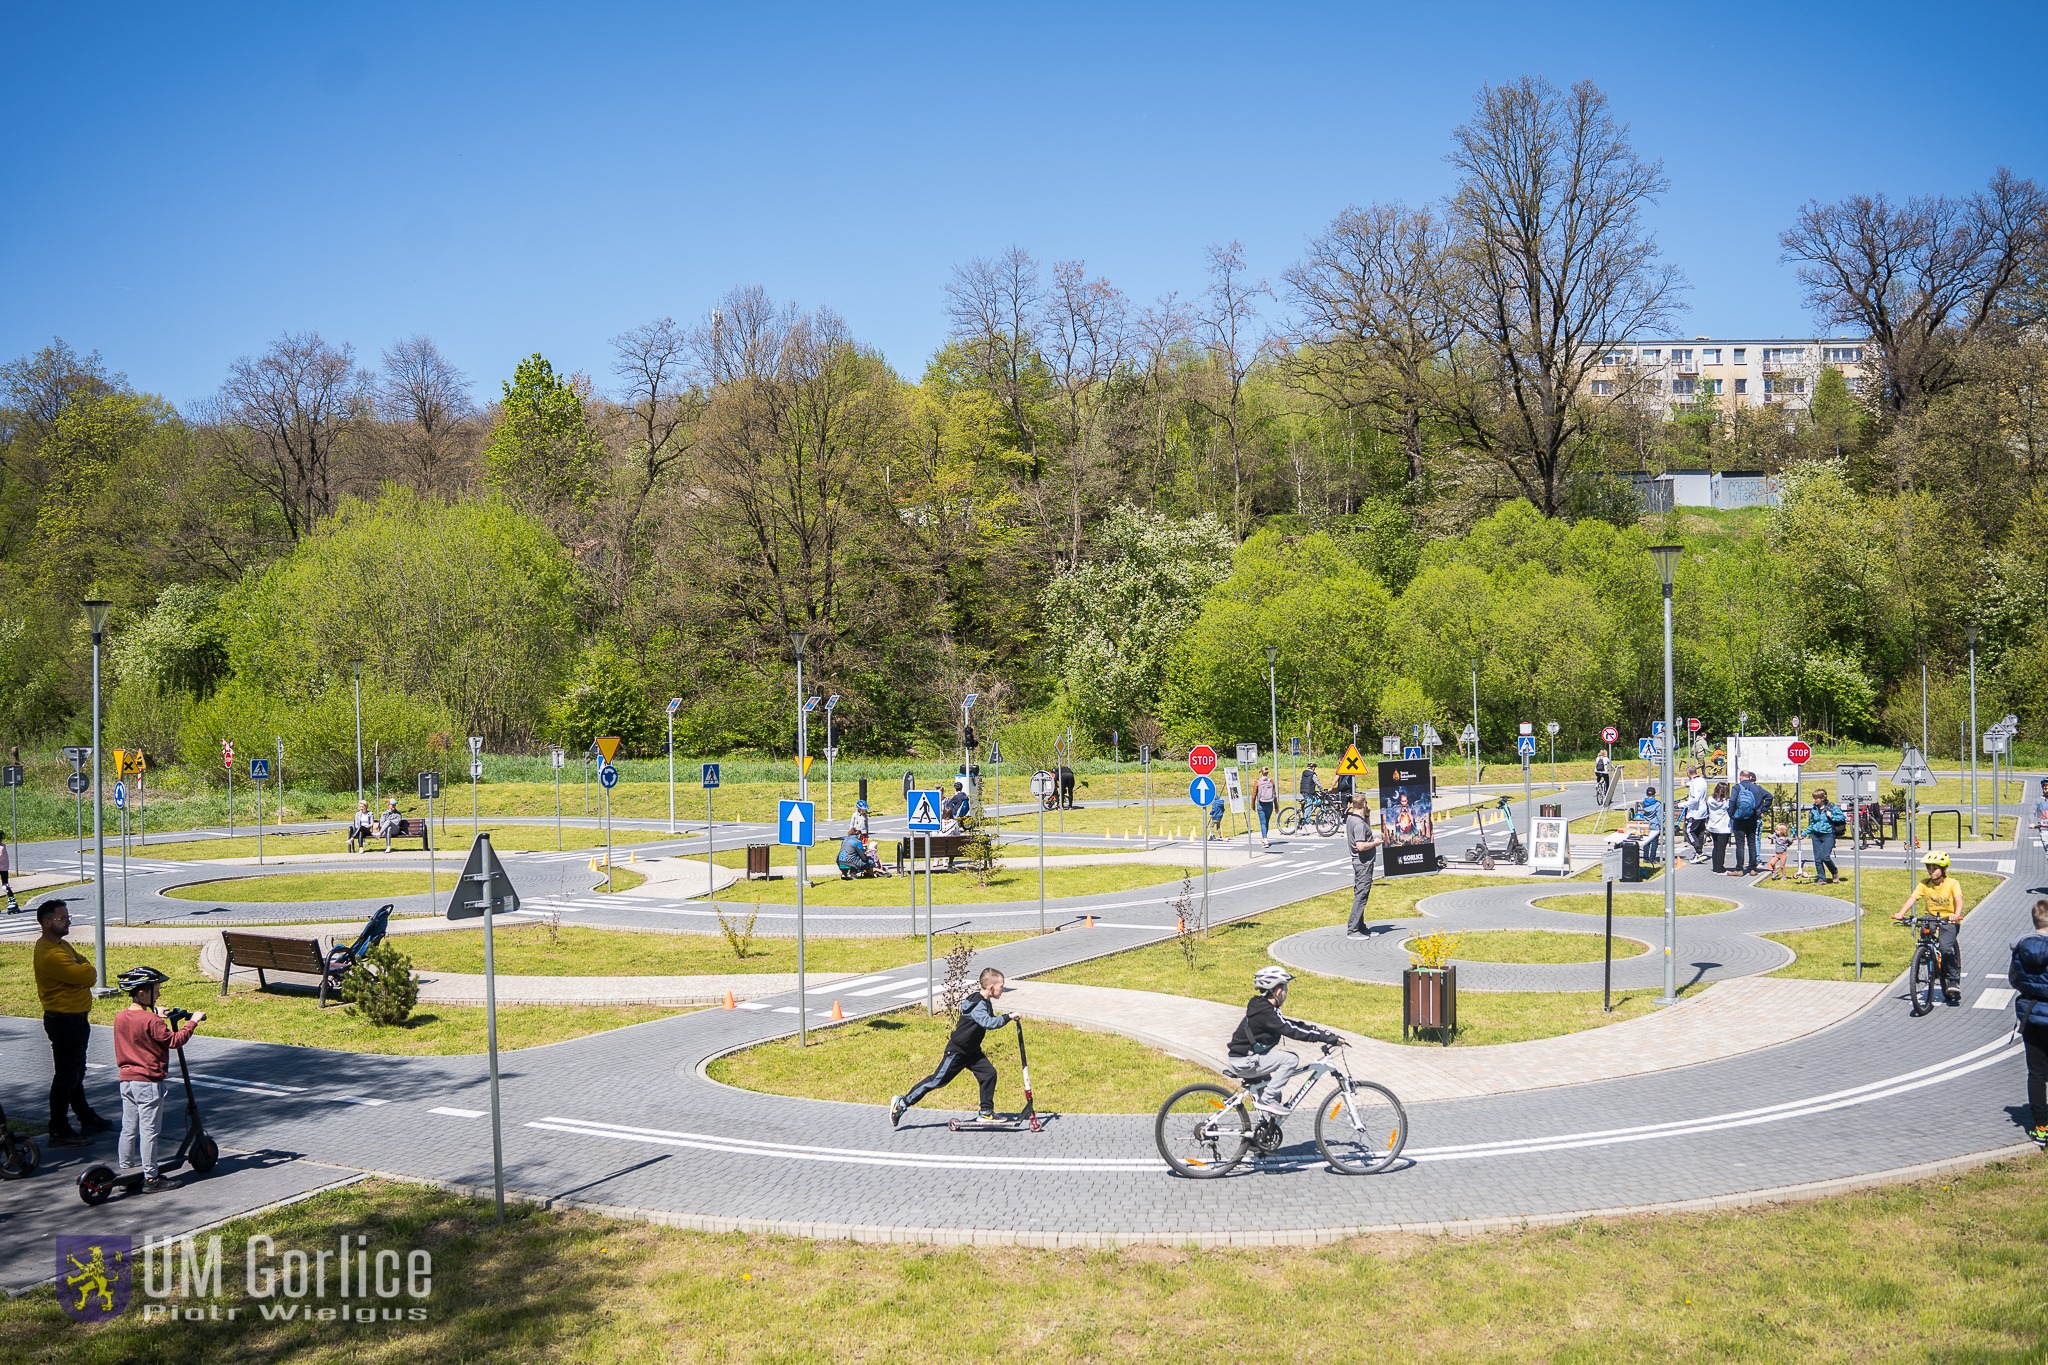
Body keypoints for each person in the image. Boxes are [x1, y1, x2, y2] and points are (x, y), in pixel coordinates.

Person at [112, 966, 203, 1191]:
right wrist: (193, 1022)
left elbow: (140, 1029)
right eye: (156, 989)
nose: (159, 994)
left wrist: (155, 1016)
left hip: (127, 1082)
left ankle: (126, 1173)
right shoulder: (152, 1022)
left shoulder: (121, 1017)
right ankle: (151, 1178)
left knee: (128, 1129)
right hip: (148, 1083)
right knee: (149, 1132)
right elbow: (173, 1040)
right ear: (142, 993)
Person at [890, 967, 1011, 1126]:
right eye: (1001, 986)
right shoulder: (978, 1004)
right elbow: (988, 1023)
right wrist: (1008, 1017)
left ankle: (986, 1112)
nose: (1003, 989)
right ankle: (902, 1103)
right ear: (991, 987)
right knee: (936, 1081)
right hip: (958, 1051)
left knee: (989, 1074)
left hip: (972, 1051)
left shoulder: (984, 1001)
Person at [33, 899, 109, 1146]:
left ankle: (86, 1117)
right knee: (66, 1075)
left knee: (75, 1071)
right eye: (62, 918)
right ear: (47, 922)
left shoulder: (61, 945)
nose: (68, 922)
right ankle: (59, 1128)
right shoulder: (50, 953)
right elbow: (86, 974)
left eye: (68, 917)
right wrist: (81, 973)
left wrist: (82, 971)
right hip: (65, 1021)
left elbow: (85, 966)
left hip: (73, 1018)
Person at [1225, 967, 1341, 1114]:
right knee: (1290, 1059)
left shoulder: (1264, 1009)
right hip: (1244, 1062)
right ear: (1278, 991)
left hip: (1246, 1060)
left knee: (1276, 1095)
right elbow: (1291, 1031)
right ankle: (1267, 1100)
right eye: (1286, 988)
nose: (1286, 992)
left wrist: (1321, 1032)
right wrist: (1323, 1037)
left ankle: (1263, 1132)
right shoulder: (1266, 1013)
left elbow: (1290, 1024)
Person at [1894, 850, 1966, 1006]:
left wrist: (1956, 914)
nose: (1931, 871)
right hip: (1931, 917)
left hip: (1949, 919)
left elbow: (1959, 899)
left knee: (1946, 948)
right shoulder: (1924, 884)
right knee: (1925, 934)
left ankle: (1952, 980)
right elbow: (1913, 898)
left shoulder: (1952, 883)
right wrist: (1901, 913)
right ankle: (1925, 955)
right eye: (1929, 868)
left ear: (1944, 869)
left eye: (1935, 868)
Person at [2007, 899, 2048, 1147]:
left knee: (2036, 1073)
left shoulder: (2021, 948)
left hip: (2030, 1014)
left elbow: (2014, 979)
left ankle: (2041, 1128)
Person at [1343, 794, 1382, 938]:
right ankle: (1353, 929)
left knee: (1361, 893)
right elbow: (1361, 845)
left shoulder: (1353, 819)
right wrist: (1375, 844)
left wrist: (1368, 815)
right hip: (1363, 863)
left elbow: (1367, 830)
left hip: (1361, 862)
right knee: (1361, 895)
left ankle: (1361, 927)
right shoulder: (1358, 824)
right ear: (1364, 804)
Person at [1730, 769, 1769, 875]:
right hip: (1752, 818)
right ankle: (1752, 868)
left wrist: (1732, 814)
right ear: (1750, 777)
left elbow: (1732, 801)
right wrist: (1762, 810)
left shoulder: (1737, 787)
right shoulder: (1757, 788)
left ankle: (1739, 869)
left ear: (1740, 777)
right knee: (1751, 844)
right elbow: (1770, 797)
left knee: (1740, 844)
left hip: (1739, 820)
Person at [1806, 788, 1843, 884]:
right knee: (1817, 858)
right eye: (1814, 798)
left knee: (1825, 857)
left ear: (1822, 798)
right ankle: (1822, 879)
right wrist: (1804, 834)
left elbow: (1842, 817)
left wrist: (1831, 816)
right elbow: (1812, 824)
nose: (1814, 800)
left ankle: (1834, 871)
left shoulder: (1831, 807)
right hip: (1816, 835)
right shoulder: (1814, 809)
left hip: (1828, 835)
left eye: (1816, 798)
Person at [1706, 781, 1733, 874]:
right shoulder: (1726, 802)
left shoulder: (1710, 799)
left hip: (1713, 826)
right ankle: (1720, 867)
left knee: (1716, 847)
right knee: (1722, 848)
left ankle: (1715, 866)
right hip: (1724, 827)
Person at [1684, 769, 1710, 864]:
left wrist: (1681, 804)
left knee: (1689, 831)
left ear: (1688, 773)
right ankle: (1698, 853)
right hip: (1703, 810)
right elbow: (1690, 783)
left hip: (1695, 812)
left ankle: (1699, 852)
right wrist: (1688, 784)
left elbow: (1695, 799)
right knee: (1700, 832)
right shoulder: (1702, 780)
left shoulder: (1694, 783)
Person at [1636, 786, 1662, 864]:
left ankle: (1645, 857)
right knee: (1654, 843)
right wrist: (1661, 827)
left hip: (1646, 825)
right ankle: (1652, 858)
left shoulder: (1644, 803)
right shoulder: (1657, 804)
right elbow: (1659, 816)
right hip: (1654, 825)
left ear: (1646, 794)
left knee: (1646, 842)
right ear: (1654, 794)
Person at [1254, 767, 1278, 846]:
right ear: (1267, 773)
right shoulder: (1271, 781)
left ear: (1261, 772)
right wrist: (1276, 806)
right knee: (1266, 821)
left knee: (1262, 822)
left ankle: (1264, 838)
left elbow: (1254, 795)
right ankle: (1265, 837)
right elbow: (1274, 795)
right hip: (1270, 804)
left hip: (1261, 804)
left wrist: (1252, 804)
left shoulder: (1258, 782)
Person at [0, 832, 15, 912]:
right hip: (3, 868)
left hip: (3, 869)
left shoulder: (2, 848)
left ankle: (12, 901)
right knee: (5, 885)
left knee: (5, 886)